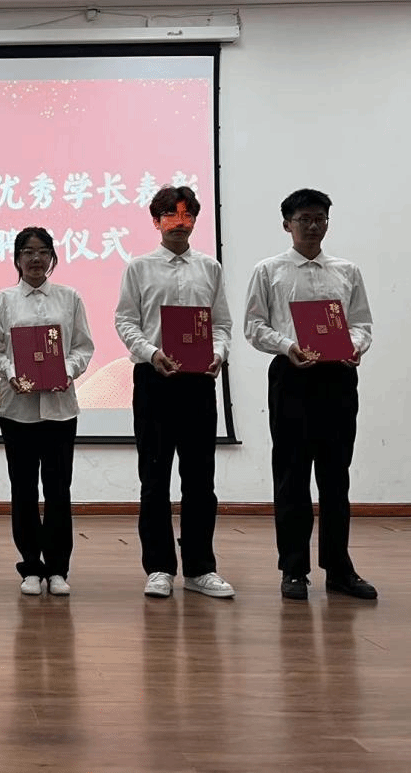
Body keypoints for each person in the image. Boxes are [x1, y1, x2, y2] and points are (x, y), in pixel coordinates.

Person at [244, 188, 376, 601]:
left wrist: (355, 346)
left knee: (336, 476)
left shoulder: (347, 271)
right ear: (287, 224)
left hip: (338, 377)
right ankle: (293, 569)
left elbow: (362, 323)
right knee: (292, 475)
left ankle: (339, 568)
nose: (313, 226)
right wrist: (288, 347)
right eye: (304, 219)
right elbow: (254, 326)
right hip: (292, 376)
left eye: (320, 219)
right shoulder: (269, 270)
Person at [114, 186, 235, 600]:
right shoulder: (139, 268)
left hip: (199, 382)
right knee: (154, 479)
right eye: (170, 214)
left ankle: (200, 568)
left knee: (200, 479)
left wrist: (218, 353)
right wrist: (151, 353)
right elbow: (125, 321)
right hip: (155, 380)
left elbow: (221, 324)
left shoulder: (209, 268)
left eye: (187, 215)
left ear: (195, 220)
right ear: (156, 221)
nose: (179, 223)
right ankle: (159, 568)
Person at [0, 226, 94, 597]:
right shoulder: (2, 301)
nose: (35, 258)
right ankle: (31, 565)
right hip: (19, 411)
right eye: (28, 252)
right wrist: (12, 373)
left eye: (43, 251)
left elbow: (83, 347)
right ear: (17, 258)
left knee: (59, 490)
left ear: (52, 257)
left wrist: (68, 371)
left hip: (60, 411)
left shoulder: (69, 298)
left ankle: (58, 568)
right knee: (24, 489)